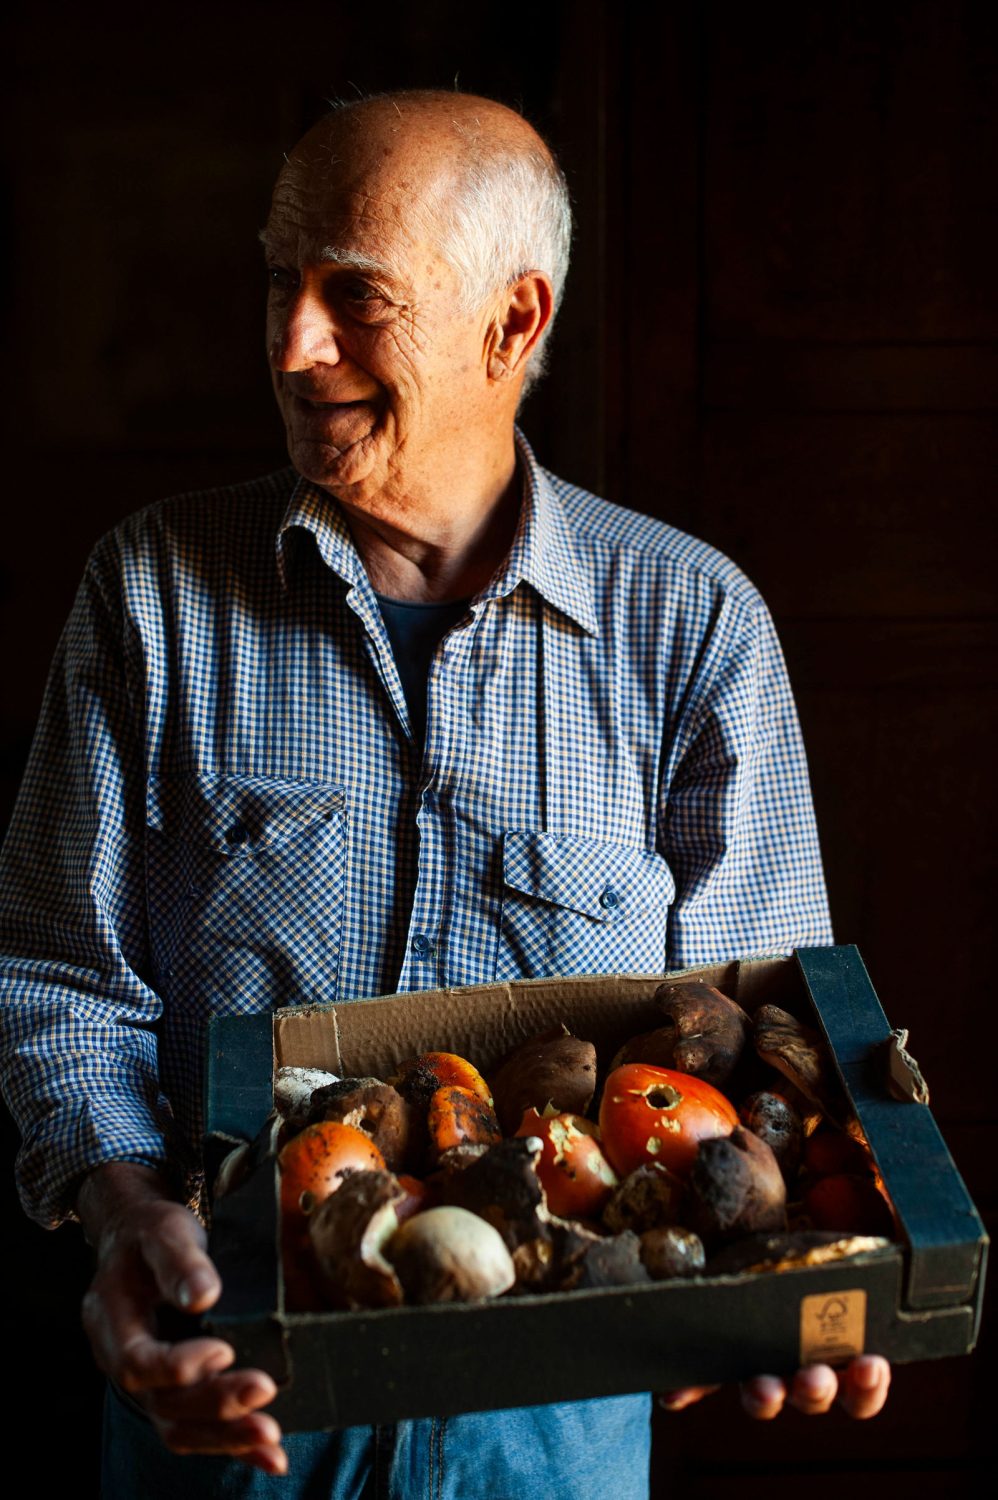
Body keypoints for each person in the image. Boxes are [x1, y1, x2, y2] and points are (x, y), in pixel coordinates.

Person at [0, 90, 890, 1497]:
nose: (295, 345)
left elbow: (756, 1044)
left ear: (513, 322)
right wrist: (121, 1222)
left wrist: (785, 1270)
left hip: (549, 1452)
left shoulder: (692, 629)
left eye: (354, 296)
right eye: (280, 284)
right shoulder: (154, 596)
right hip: (230, 1427)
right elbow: (61, 983)